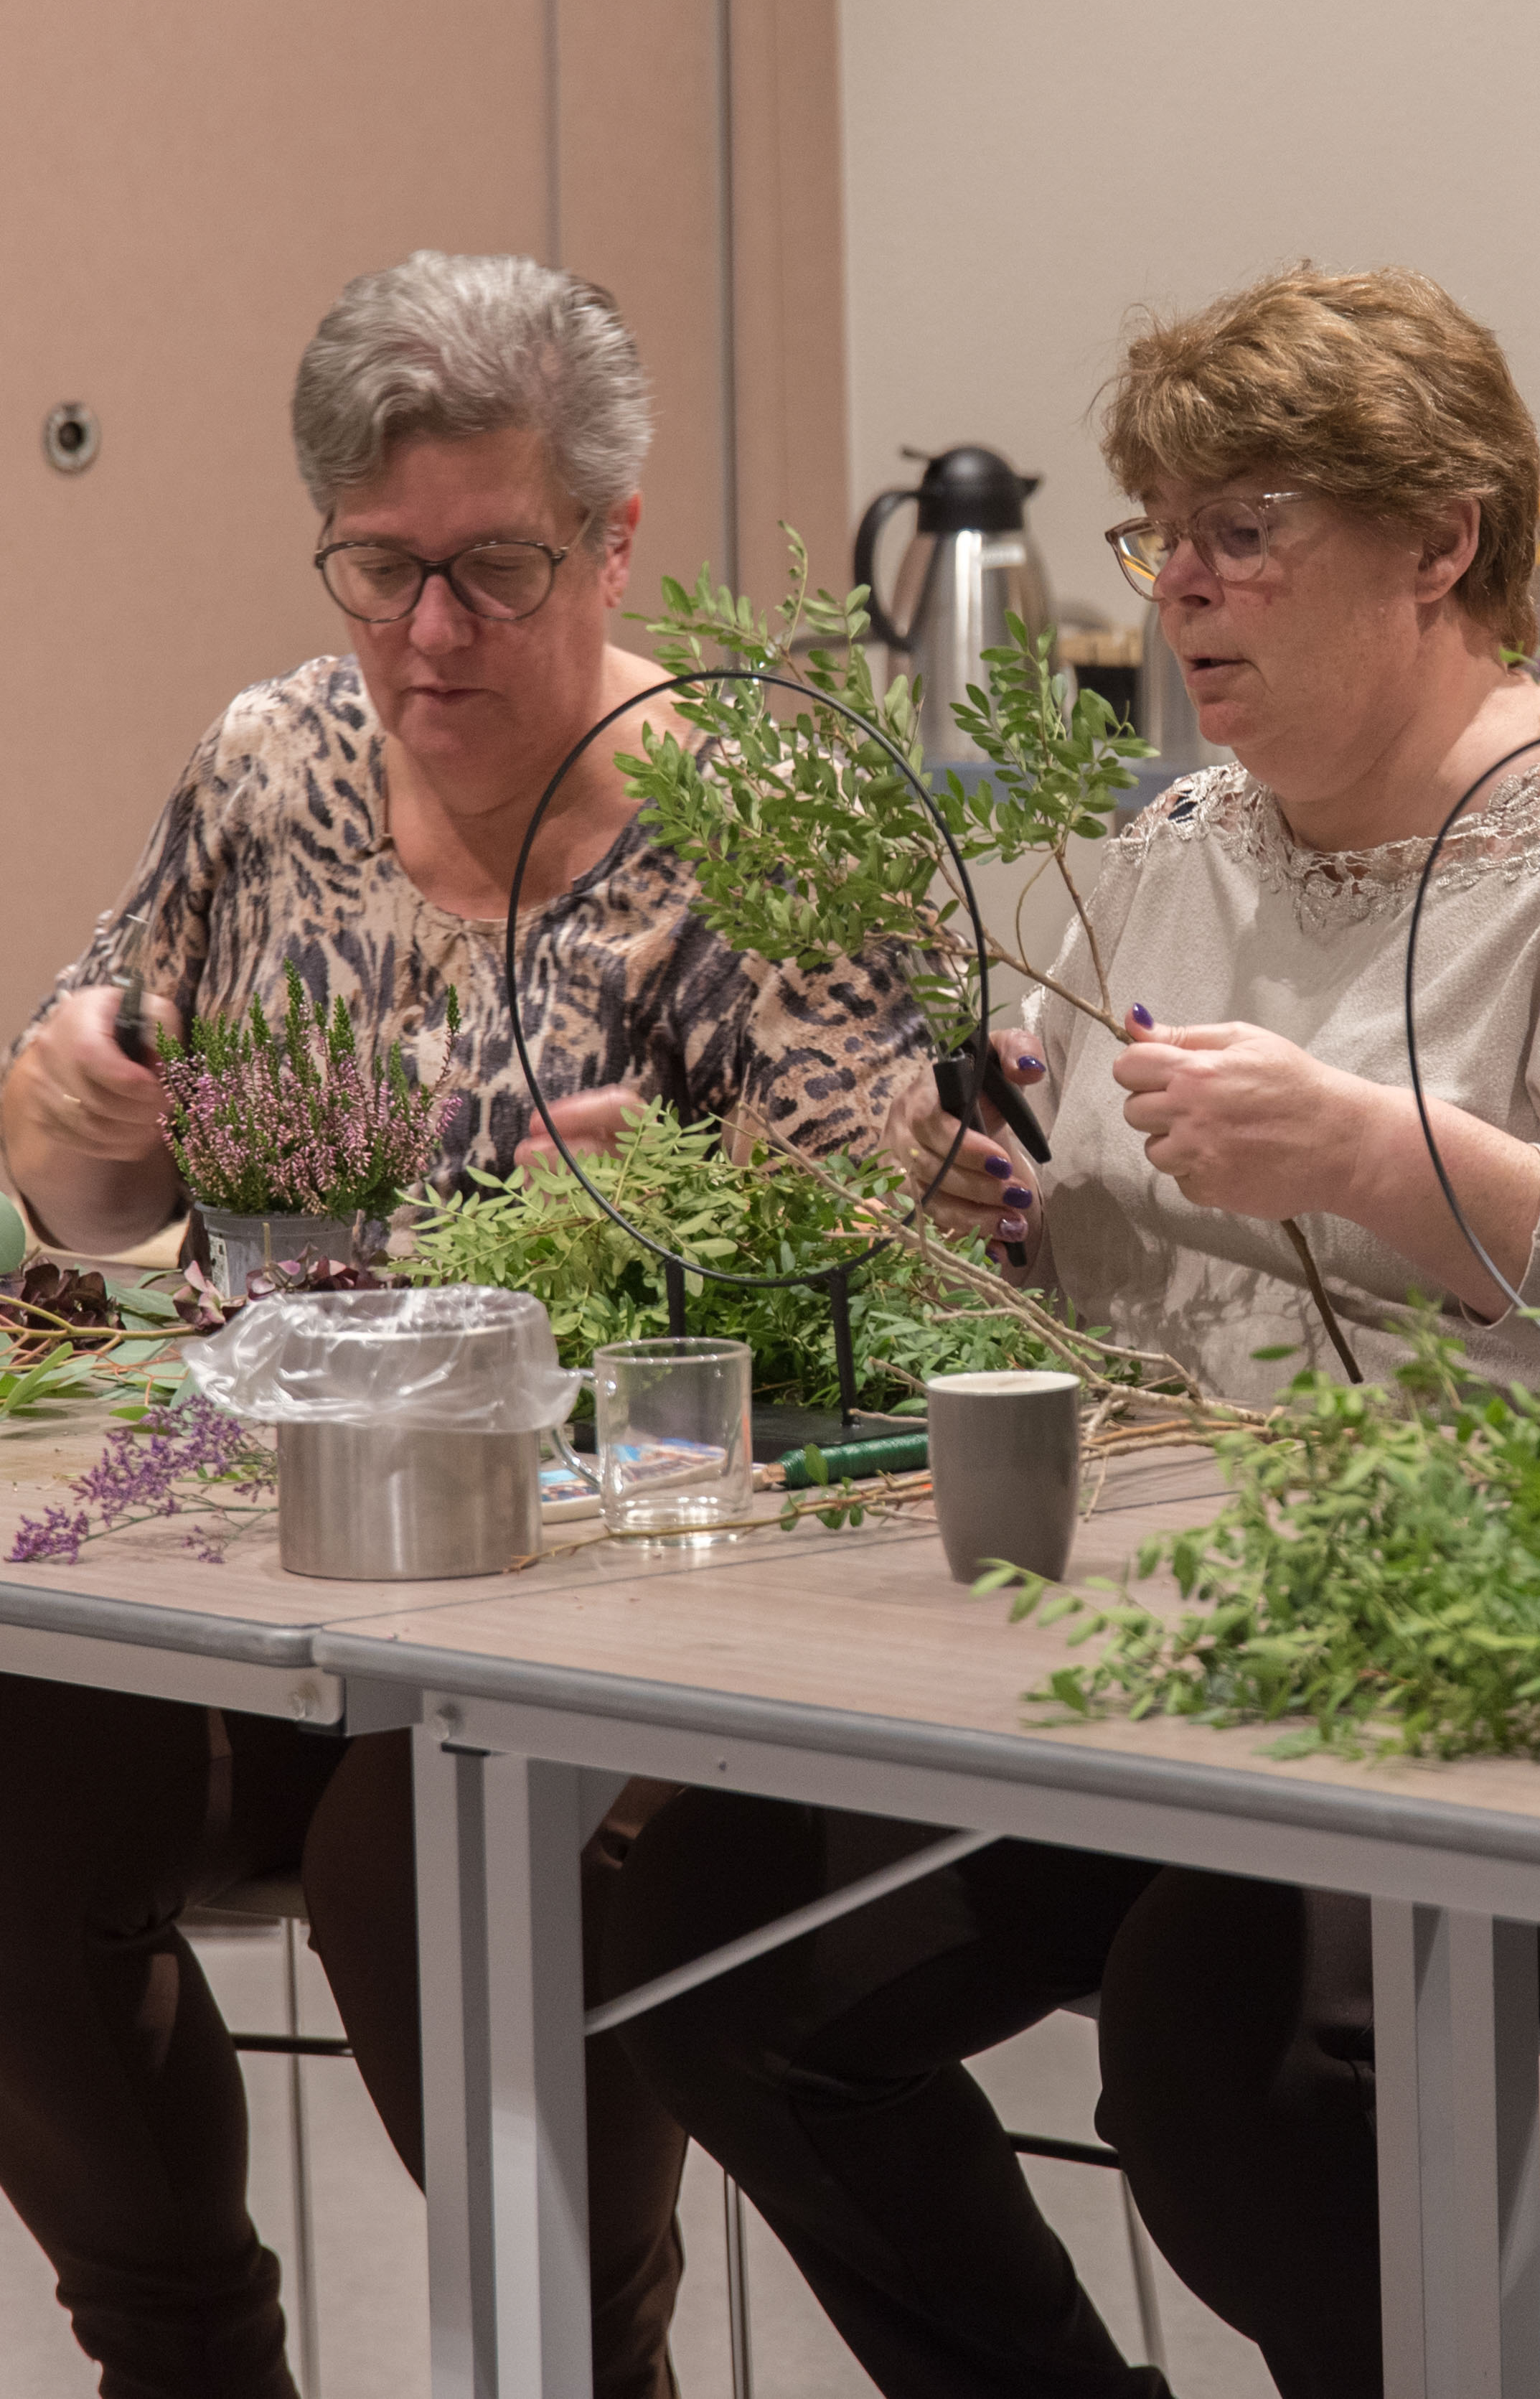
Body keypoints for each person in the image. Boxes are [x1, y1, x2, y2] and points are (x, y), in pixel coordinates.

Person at [600, 267, 1540, 2398]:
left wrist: (1392, 1159)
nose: (1179, 590)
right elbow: (1102, 1282)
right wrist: (979, 1197)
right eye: (1159, 535)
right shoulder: (1174, 855)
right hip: (1191, 1658)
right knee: (710, 1938)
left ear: (1442, 541)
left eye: (1244, 533)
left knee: (1224, 2042)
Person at [0, 250, 924, 2398]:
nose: (431, 633)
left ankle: (581, 2369)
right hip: (261, 1559)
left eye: (495, 568)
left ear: (613, 540)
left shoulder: (755, 831)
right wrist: (83, 1123)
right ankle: (180, 2360)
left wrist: (672, 1228)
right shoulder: (270, 769)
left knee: (432, 1855)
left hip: (621, 1606)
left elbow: (874, 1318)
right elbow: (96, 1201)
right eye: (379, 568)